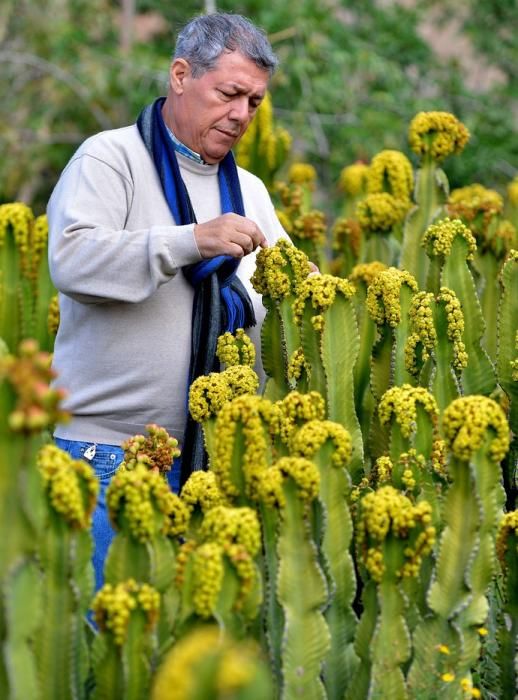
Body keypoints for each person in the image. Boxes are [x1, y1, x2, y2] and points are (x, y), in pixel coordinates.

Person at [47, 12, 288, 590]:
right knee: (109, 663)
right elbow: (72, 260)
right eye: (229, 93)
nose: (241, 114)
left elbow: (285, 294)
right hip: (108, 462)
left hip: (216, 466)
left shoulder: (248, 190)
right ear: (181, 75)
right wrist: (190, 240)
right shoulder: (110, 160)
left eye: (254, 102)